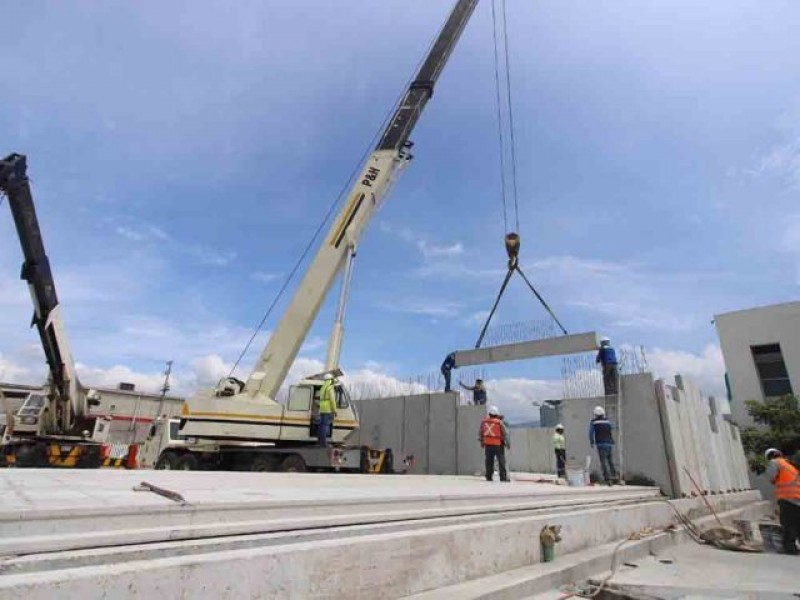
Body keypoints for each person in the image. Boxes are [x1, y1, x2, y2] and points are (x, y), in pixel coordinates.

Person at [766, 448, 800, 555]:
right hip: (797, 498)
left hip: (787, 498)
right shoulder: (789, 465)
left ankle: (790, 549)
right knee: (798, 524)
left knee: (788, 524)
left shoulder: (774, 462)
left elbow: (771, 478)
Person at [479, 405, 509, 482]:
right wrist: (507, 443)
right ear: (497, 414)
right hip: (498, 444)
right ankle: (503, 477)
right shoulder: (499, 422)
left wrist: (482, 442)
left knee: (489, 461)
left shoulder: (484, 422)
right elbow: (505, 433)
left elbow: (481, 433)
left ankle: (488, 476)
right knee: (501, 461)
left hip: (488, 445)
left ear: (489, 414)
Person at [589, 405, 617, 485]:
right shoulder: (607, 421)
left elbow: (591, 433)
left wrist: (592, 442)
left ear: (595, 414)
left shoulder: (593, 422)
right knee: (610, 461)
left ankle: (607, 479)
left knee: (603, 462)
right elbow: (612, 427)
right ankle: (614, 476)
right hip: (609, 444)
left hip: (601, 444)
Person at [318, 374, 338, 447]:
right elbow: (332, 401)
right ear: (330, 380)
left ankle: (320, 442)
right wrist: (334, 411)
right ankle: (324, 443)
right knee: (325, 426)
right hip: (328, 409)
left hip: (322, 409)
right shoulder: (330, 388)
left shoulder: (323, 387)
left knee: (321, 426)